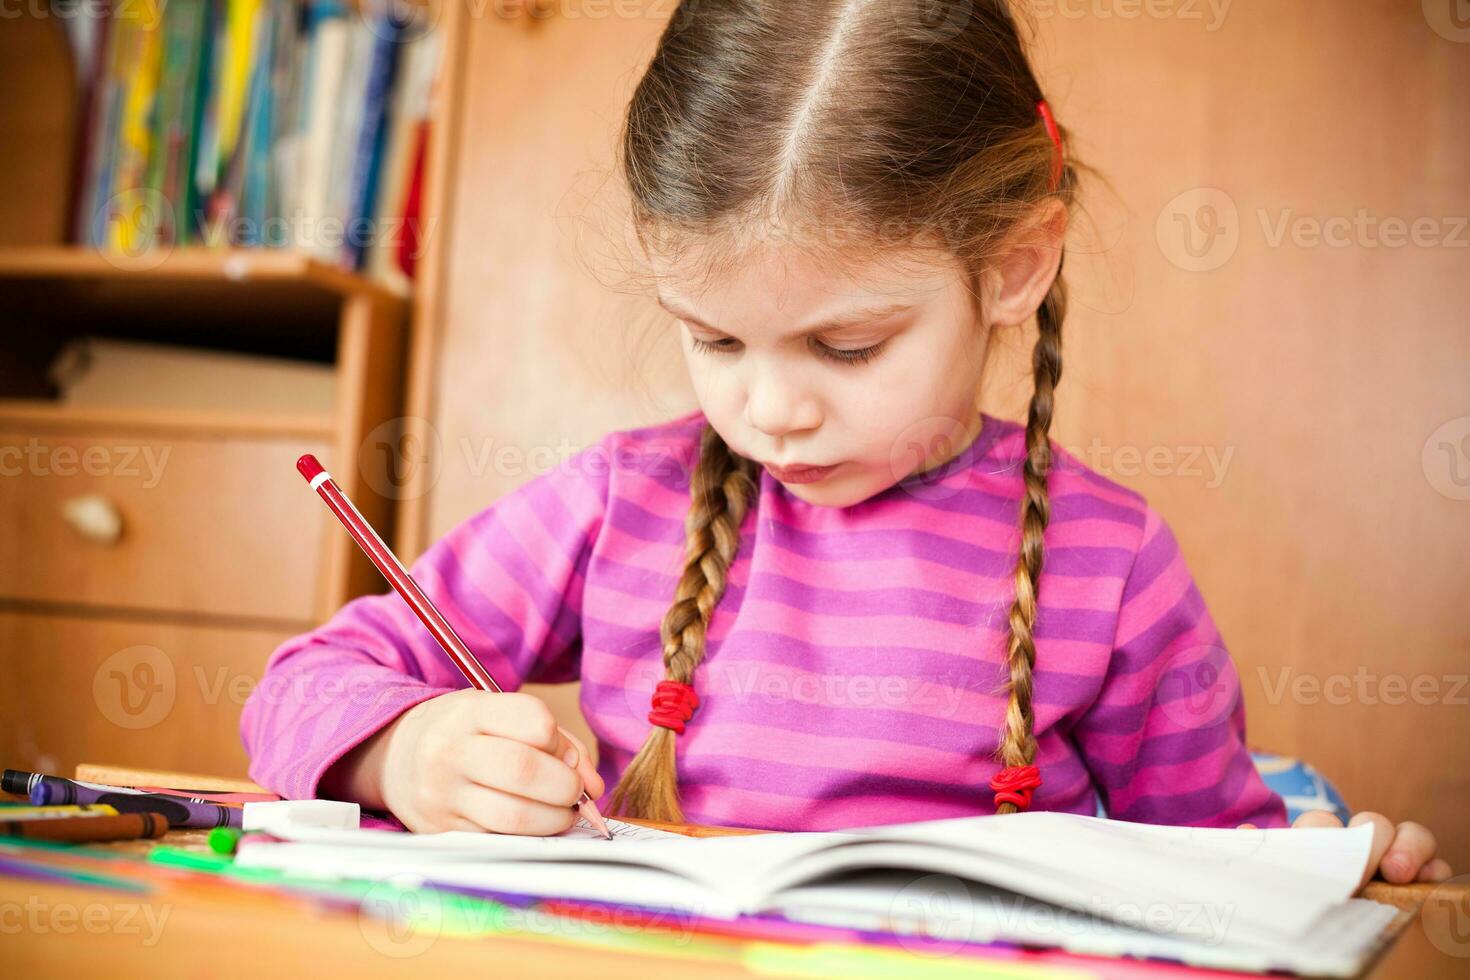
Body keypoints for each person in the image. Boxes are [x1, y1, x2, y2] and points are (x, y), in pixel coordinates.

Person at [241, 0, 1449, 885]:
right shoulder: (622, 505)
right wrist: (405, 750)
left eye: (848, 346)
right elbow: (301, 688)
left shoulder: (1113, 564)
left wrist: (1325, 864)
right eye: (714, 340)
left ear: (1015, 263)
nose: (771, 410)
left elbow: (1221, 872)